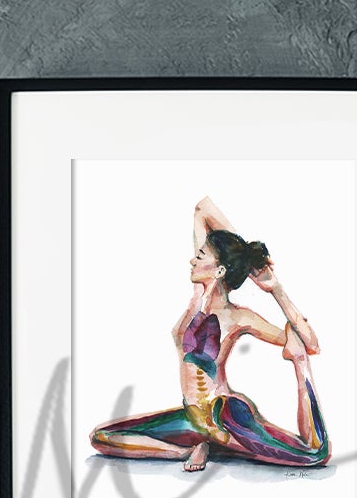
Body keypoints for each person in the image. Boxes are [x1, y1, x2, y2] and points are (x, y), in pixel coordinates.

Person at [89, 195, 330, 471]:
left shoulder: (240, 317)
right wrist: (239, 253)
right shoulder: (197, 298)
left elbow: (310, 343)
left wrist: (273, 287)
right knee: (103, 437)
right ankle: (186, 451)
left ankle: (217, 441)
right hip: (192, 419)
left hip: (224, 418)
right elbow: (203, 208)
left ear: (218, 269)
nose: (193, 260)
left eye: (200, 256)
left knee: (314, 454)